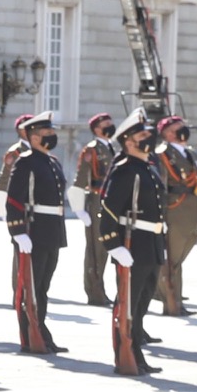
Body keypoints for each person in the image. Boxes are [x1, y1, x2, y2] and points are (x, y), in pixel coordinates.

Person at [97, 110, 168, 374]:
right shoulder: (126, 170)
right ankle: (125, 355)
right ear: (128, 141)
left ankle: (137, 352)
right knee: (127, 303)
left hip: (151, 243)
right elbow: (109, 212)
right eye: (142, 135)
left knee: (142, 302)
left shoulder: (147, 167)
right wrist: (114, 246)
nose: (148, 138)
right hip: (133, 244)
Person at [3, 112, 67, 354]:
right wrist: (18, 231)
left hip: (52, 231)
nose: (52, 136)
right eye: (47, 134)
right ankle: (30, 335)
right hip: (34, 230)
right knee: (30, 287)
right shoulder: (26, 162)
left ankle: (42, 332)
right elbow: (15, 199)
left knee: (42, 287)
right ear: (34, 136)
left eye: (52, 133)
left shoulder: (52, 162)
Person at [155, 115, 197, 317]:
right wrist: (161, 215)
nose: (184, 131)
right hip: (175, 210)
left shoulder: (189, 153)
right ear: (167, 133)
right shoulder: (162, 154)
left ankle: (169, 296)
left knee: (178, 259)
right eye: (178, 128)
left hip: (191, 211)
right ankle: (171, 303)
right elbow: (161, 186)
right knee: (171, 261)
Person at [74, 112, 118, 306]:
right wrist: (80, 210)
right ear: (97, 128)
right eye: (106, 124)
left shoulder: (110, 148)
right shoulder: (92, 150)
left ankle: (100, 289)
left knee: (106, 249)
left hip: (108, 200)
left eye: (110, 123)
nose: (111, 126)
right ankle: (94, 292)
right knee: (95, 250)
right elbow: (81, 180)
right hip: (96, 200)